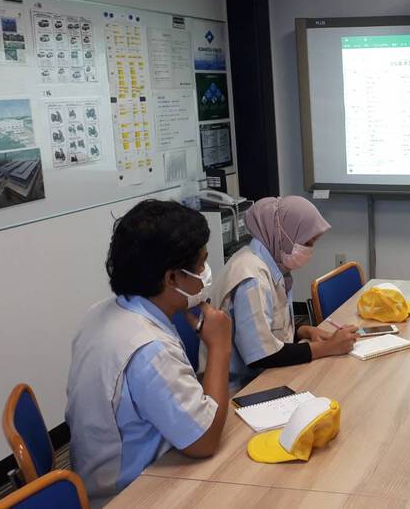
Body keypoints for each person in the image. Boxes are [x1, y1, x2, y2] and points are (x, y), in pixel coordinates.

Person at [65, 200, 233, 506]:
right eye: (200, 265)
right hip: (129, 494)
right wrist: (220, 347)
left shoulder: (101, 312)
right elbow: (205, 441)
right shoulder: (149, 349)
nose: (206, 273)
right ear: (172, 278)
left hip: (95, 475)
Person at [210, 196, 358, 388]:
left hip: (266, 374)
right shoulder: (252, 277)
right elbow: (261, 355)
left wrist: (303, 331)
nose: (309, 250)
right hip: (241, 388)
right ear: (283, 234)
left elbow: (267, 326)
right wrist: (326, 348)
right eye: (307, 242)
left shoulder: (268, 263)